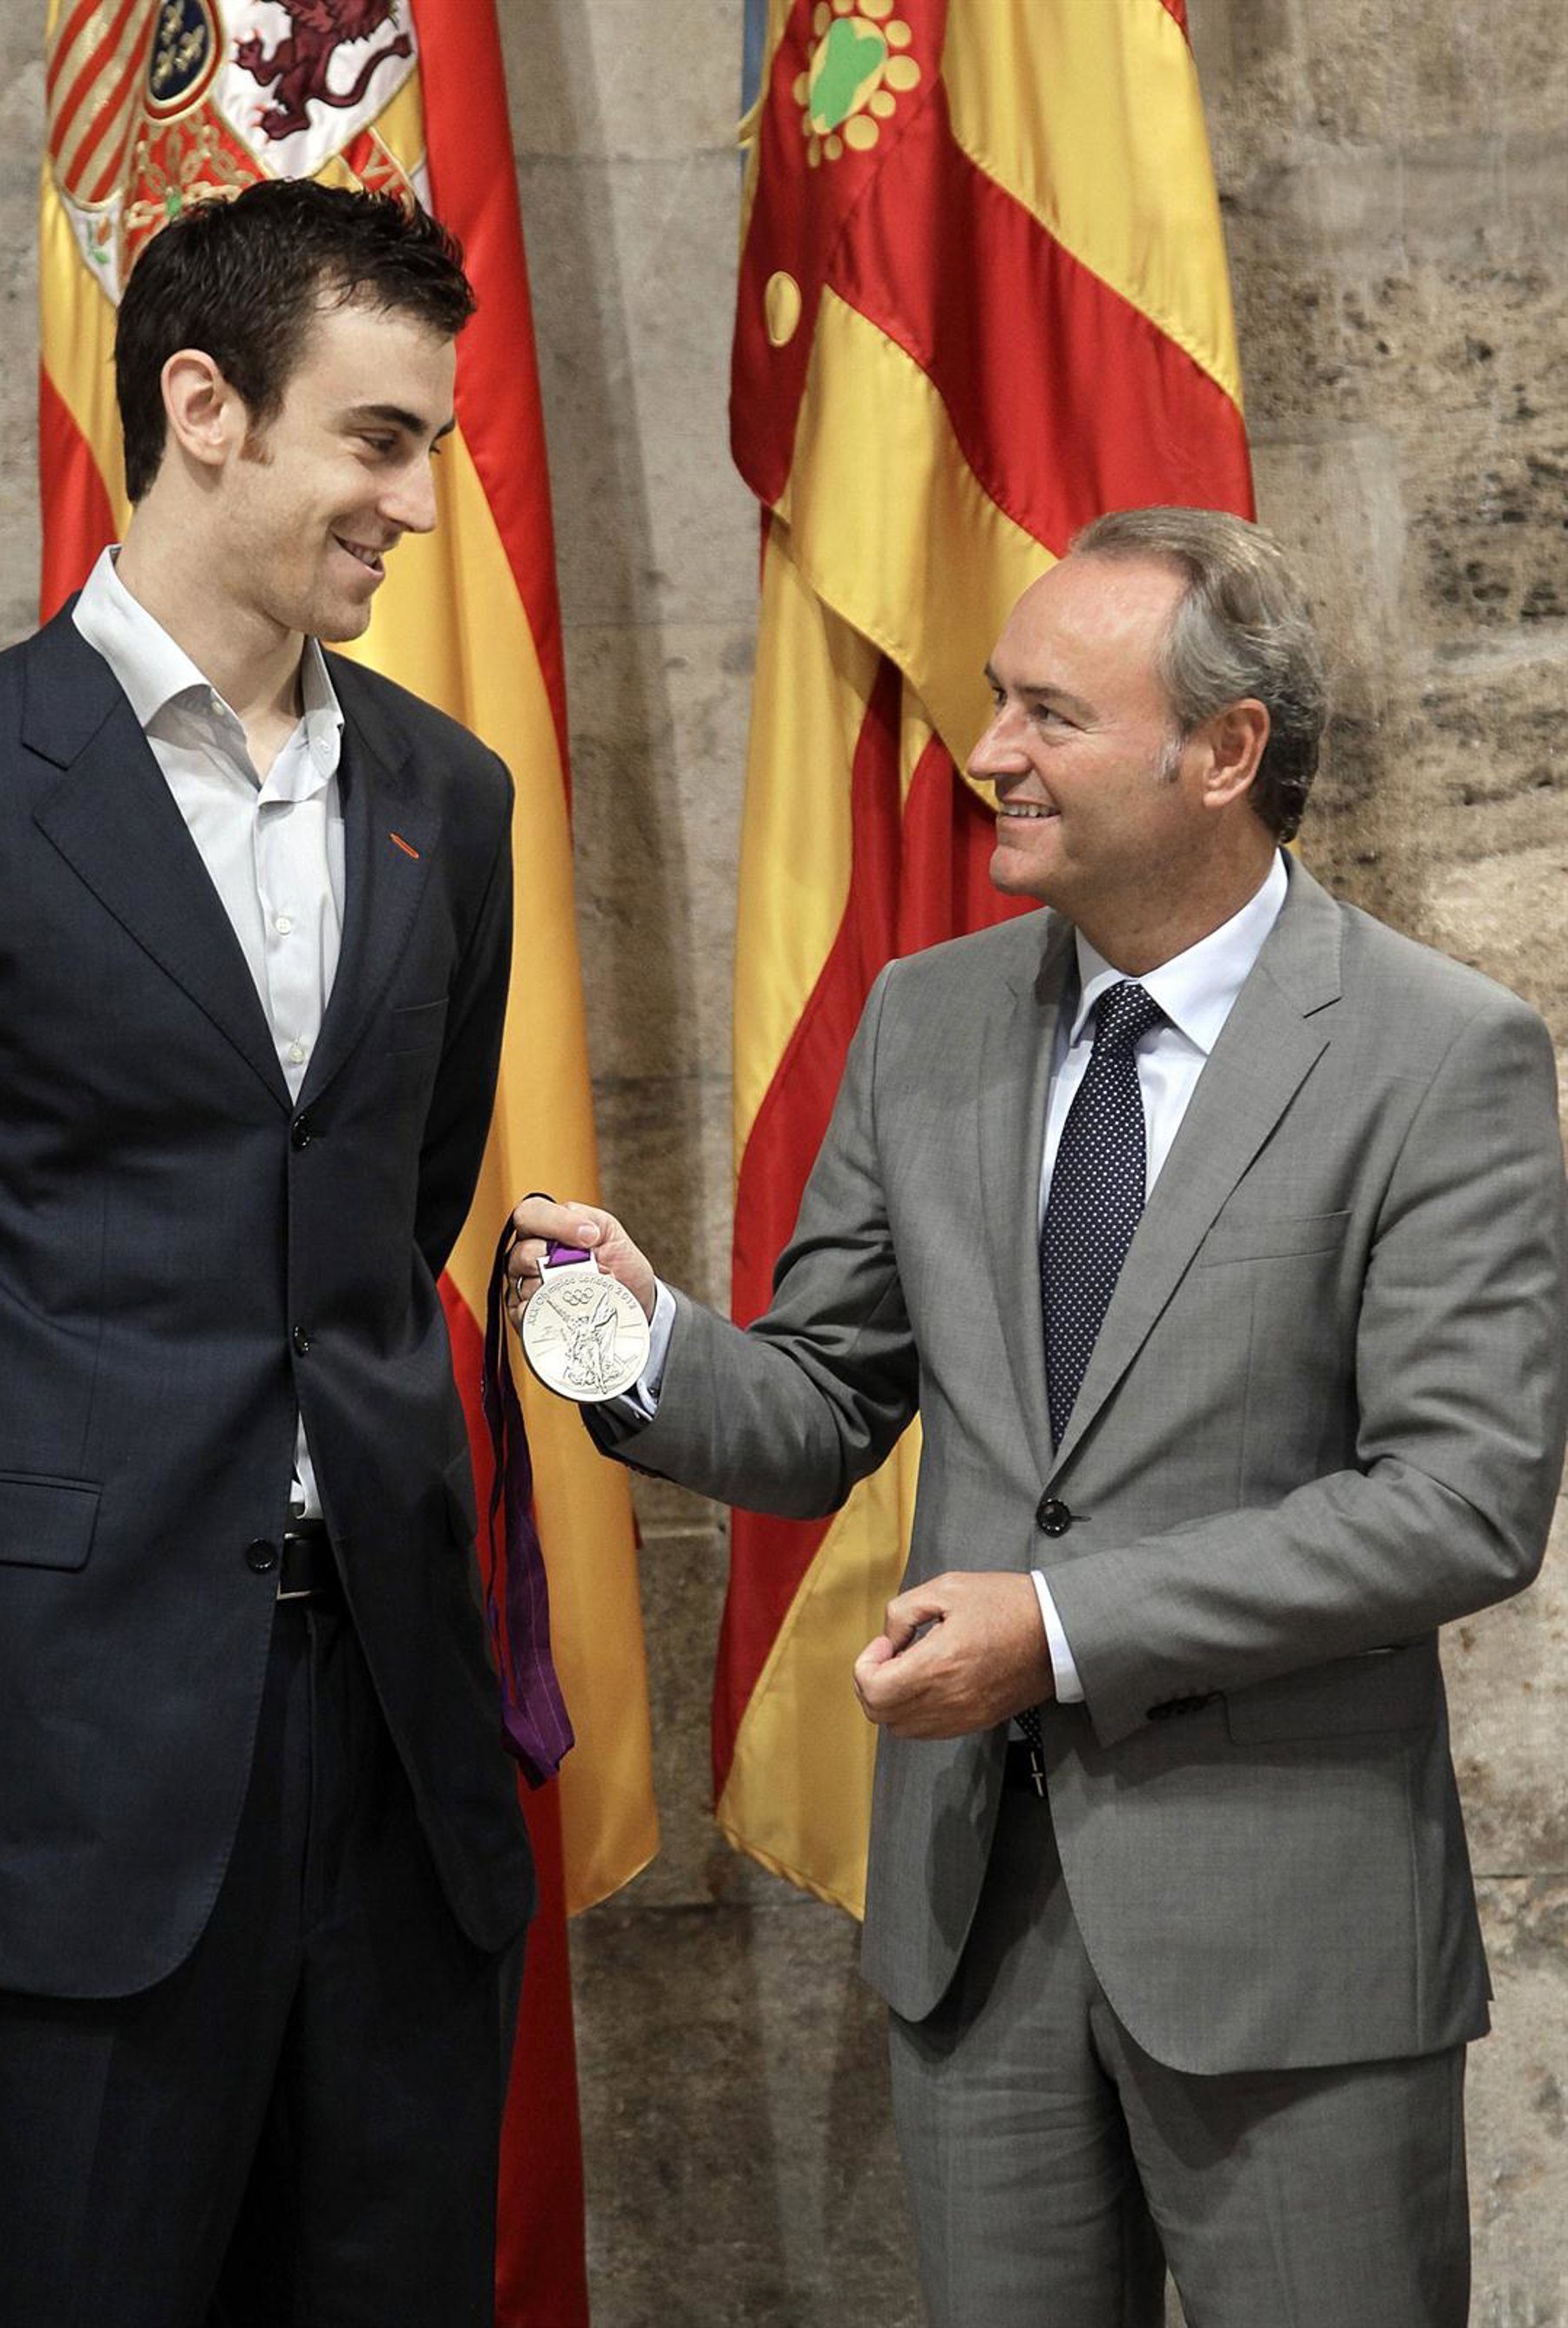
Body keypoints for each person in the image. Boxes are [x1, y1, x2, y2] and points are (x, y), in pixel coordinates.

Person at [509, 509, 1568, 2326]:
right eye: (1001, 698)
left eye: (1049, 714)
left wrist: (1060, 1629)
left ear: (1223, 752)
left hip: (1289, 1949)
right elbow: (824, 1396)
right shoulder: (924, 1020)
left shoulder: (1435, 1052)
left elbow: (1458, 1501)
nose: (988, 747)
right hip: (977, 1933)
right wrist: (642, 1339)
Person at [0, 180, 534, 2326]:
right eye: (380, 440)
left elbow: (395, 1212)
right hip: (50, 1785)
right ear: (205, 407)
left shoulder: (454, 799)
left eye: (431, 445)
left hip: (397, 1765)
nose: (419, 504)